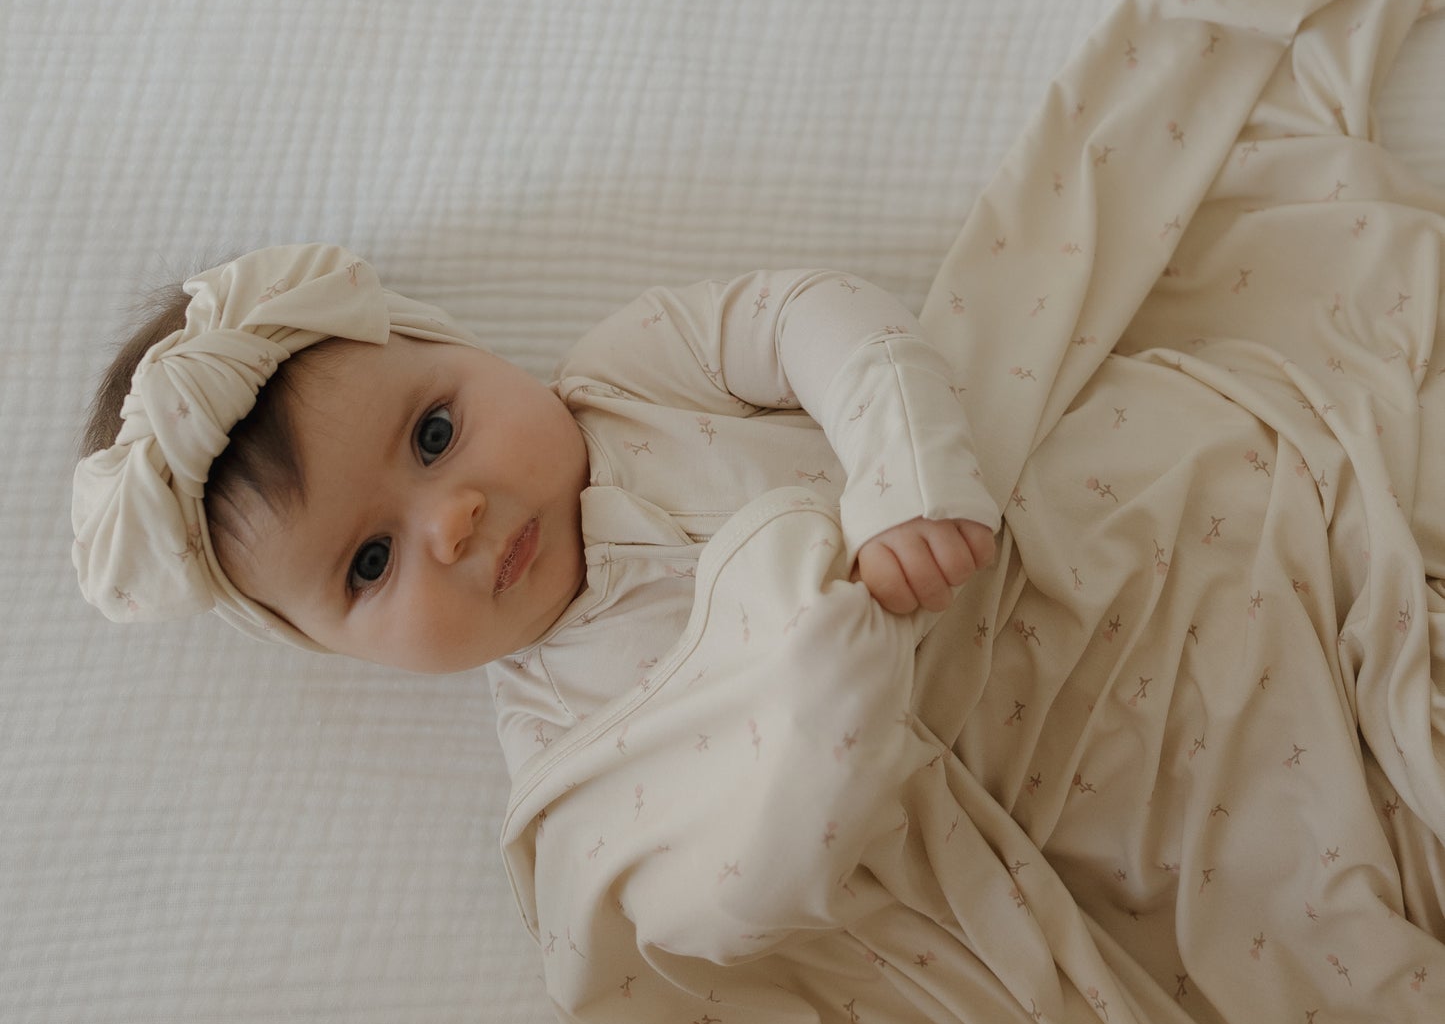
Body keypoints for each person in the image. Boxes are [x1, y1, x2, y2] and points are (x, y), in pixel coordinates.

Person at [73, 243, 998, 776]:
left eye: (434, 435)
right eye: (369, 563)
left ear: (456, 346)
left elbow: (809, 313)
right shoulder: (560, 735)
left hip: (1023, 544)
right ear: (329, 646)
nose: (450, 523)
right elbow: (683, 892)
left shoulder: (633, 373)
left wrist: (901, 481)